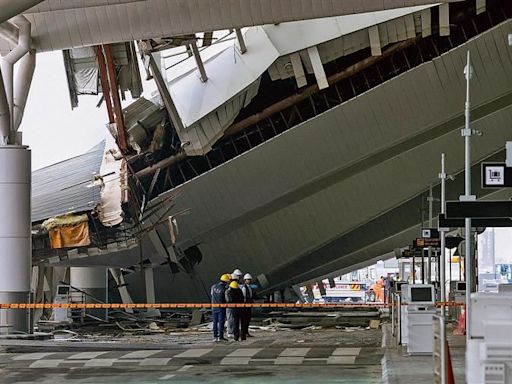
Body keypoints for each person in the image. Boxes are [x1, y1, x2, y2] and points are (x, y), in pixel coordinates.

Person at [210, 273, 230, 342]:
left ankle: (215, 336)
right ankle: (221, 337)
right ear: (226, 282)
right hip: (221, 308)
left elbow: (212, 294)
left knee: (215, 322)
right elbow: (227, 299)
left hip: (214, 307)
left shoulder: (213, 286)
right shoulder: (224, 289)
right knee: (221, 322)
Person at [226, 269, 243, 337]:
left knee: (234, 319)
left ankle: (234, 331)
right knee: (230, 319)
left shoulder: (236, 287)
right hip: (231, 306)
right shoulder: (229, 289)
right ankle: (230, 332)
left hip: (234, 306)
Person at [240, 273, 254, 339]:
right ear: (245, 280)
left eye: (250, 280)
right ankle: (243, 332)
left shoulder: (249, 288)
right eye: (248, 280)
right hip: (245, 306)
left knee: (247, 319)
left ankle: (246, 331)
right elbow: (244, 297)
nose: (249, 281)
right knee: (244, 320)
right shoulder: (244, 288)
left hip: (248, 305)